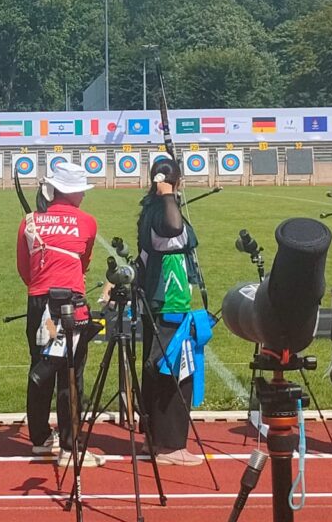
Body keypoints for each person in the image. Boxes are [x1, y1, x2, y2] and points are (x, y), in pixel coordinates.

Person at [17, 162, 103, 468]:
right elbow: (84, 262)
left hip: (40, 305)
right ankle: (70, 447)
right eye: (81, 190)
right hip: (69, 306)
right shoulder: (87, 222)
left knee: (41, 366)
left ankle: (40, 438)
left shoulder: (30, 221)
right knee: (70, 373)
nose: (84, 195)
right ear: (72, 191)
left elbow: (25, 269)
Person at [135, 159, 203, 467]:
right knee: (174, 370)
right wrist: (168, 194)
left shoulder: (152, 208)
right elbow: (175, 227)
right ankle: (170, 446)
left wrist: (165, 194)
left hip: (159, 296)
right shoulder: (163, 209)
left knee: (159, 369)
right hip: (169, 298)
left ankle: (155, 438)